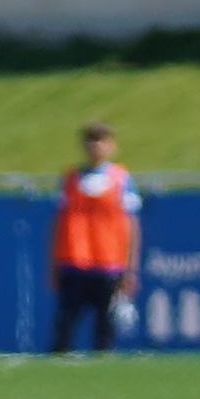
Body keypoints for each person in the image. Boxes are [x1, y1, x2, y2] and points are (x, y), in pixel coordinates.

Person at [49, 123, 142, 353]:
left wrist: (130, 268)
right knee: (64, 326)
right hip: (74, 262)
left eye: (101, 140)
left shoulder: (120, 179)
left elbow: (131, 226)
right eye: (90, 140)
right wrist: (52, 264)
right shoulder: (70, 179)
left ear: (112, 145)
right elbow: (58, 224)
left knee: (104, 330)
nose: (95, 146)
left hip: (108, 264)